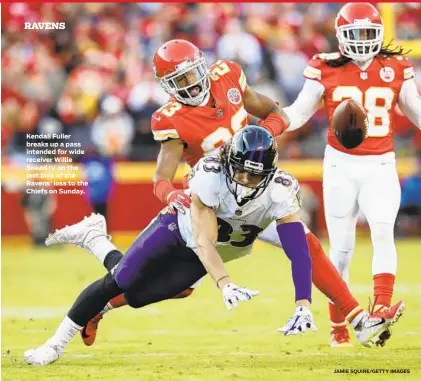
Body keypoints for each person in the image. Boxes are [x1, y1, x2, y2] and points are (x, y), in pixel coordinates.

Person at [68, 38, 402, 348]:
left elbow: (277, 114)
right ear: (167, 86)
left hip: (254, 187)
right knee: (170, 284)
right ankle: (102, 295)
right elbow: (161, 178)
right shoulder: (169, 119)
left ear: (202, 65)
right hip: (216, 203)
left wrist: (263, 135)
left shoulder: (228, 76)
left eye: (190, 76)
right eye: (179, 81)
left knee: (305, 243)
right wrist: (172, 196)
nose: (189, 85)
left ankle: (359, 320)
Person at [24, 127, 402, 366]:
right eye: (239, 170)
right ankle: (55, 344)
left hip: (218, 246)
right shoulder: (209, 176)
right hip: (179, 229)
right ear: (227, 162)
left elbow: (299, 252)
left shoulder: (280, 191)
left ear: (269, 174)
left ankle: (95, 239)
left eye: (254, 174)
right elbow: (204, 241)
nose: (244, 179)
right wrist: (224, 283)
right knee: (121, 280)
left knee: (142, 295)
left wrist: (303, 302)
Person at [282, 2, 421, 346]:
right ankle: (339, 325)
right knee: (341, 249)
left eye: (367, 33)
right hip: (340, 165)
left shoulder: (395, 67)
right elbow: (298, 114)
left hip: (380, 164)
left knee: (383, 233)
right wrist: (265, 121)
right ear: (341, 35)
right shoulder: (324, 67)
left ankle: (381, 309)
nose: (361, 41)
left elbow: (417, 112)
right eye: (354, 33)